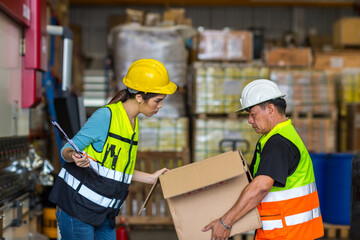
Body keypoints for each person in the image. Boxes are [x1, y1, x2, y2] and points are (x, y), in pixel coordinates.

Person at [49, 59, 177, 240]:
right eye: (158, 100)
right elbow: (67, 150)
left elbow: (115, 168)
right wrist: (74, 156)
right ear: (140, 97)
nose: (160, 106)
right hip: (76, 209)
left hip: (103, 212)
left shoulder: (133, 124)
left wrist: (150, 178)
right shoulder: (106, 116)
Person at [202, 79, 324, 240]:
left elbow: (261, 187)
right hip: (296, 233)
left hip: (288, 235)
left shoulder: (278, 143)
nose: (250, 121)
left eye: (253, 114)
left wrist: (225, 222)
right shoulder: (282, 135)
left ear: (271, 109)